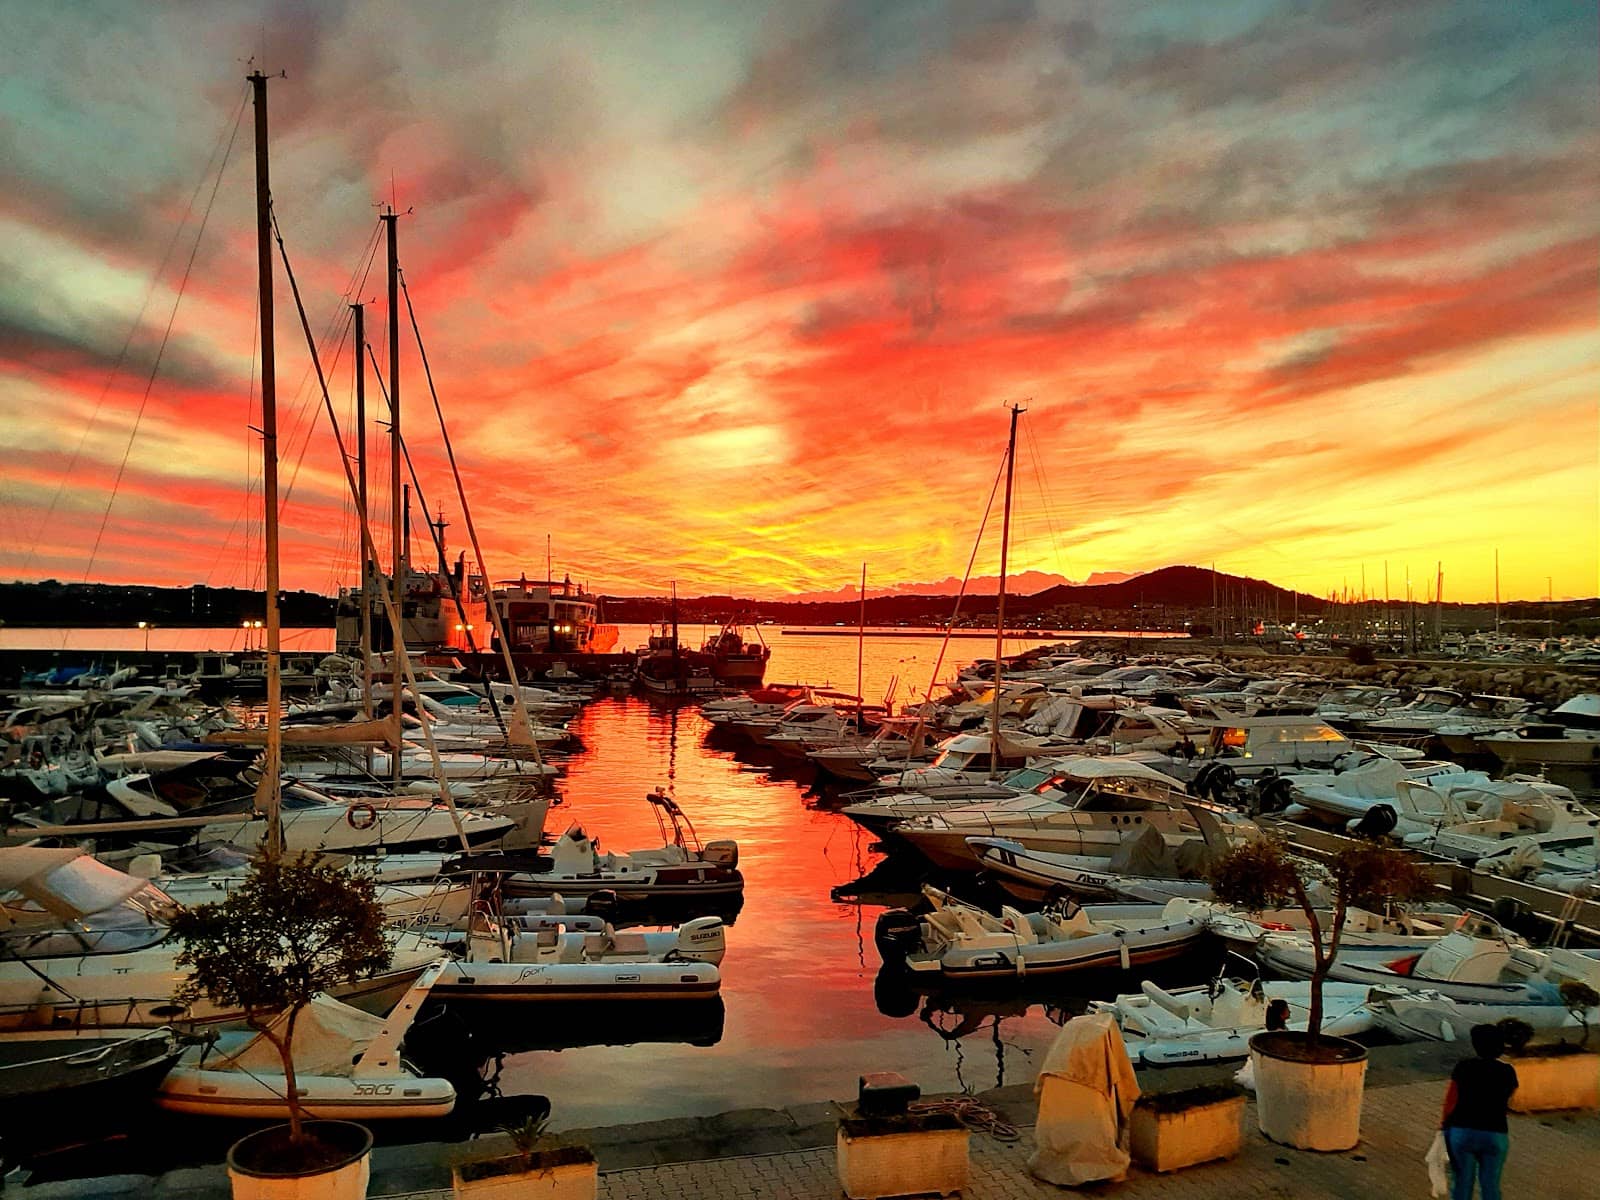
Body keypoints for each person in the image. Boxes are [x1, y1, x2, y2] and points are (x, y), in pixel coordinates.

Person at [1439, 1023, 1518, 1200]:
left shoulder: (1464, 1067)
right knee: (1490, 1185)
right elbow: (1511, 1101)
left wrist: (1444, 1126)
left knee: (1462, 1183)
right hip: (1495, 1132)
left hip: (1462, 1130)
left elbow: (1451, 1100)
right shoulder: (1507, 1071)